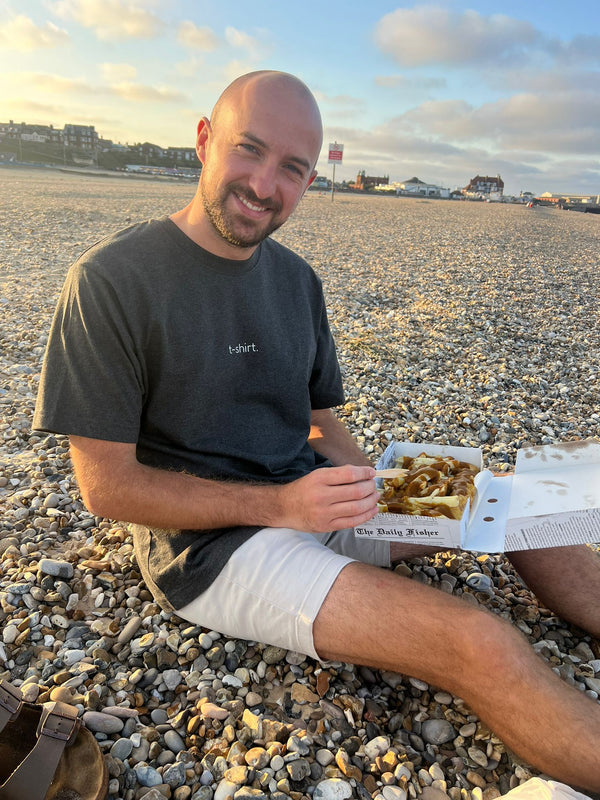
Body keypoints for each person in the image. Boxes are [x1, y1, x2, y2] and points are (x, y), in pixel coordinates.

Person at [33, 70, 600, 791]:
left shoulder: (296, 280)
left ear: (308, 180)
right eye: (249, 149)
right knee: (478, 640)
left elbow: (318, 418)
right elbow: (106, 487)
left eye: (292, 168)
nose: (264, 185)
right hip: (215, 551)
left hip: (314, 495)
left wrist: (377, 485)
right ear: (204, 141)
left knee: (522, 504)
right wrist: (279, 507)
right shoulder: (111, 281)